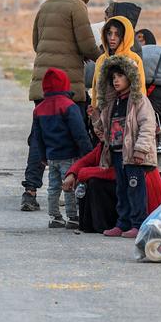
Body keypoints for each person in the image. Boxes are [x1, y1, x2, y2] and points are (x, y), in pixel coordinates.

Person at [21, 0, 101, 211]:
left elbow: (36, 43)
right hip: (68, 89)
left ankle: (30, 191)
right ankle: (79, 188)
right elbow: (88, 45)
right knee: (77, 137)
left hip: (42, 87)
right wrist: (103, 58)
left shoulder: (46, 5)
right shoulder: (77, 7)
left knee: (40, 140)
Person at [93, 55, 158, 238]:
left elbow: (147, 125)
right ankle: (122, 223)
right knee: (121, 189)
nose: (116, 81)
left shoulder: (139, 101)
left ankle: (138, 224)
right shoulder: (112, 102)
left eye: (120, 76)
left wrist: (140, 149)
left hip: (133, 155)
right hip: (116, 153)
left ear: (130, 77)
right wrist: (95, 117)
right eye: (113, 77)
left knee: (135, 188)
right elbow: (103, 127)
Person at [63, 132, 161, 235]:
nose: (98, 131)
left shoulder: (126, 143)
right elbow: (86, 160)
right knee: (92, 182)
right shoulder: (106, 145)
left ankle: (132, 224)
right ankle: (110, 224)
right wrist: (72, 174)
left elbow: (118, 173)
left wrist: (82, 173)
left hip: (142, 192)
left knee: (96, 182)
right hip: (128, 186)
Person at [32, 68, 93, 228]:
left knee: (53, 187)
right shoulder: (69, 106)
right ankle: (73, 217)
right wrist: (88, 154)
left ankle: (54, 217)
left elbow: (38, 137)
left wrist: (43, 156)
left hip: (51, 156)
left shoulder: (39, 109)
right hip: (69, 155)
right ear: (65, 85)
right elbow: (79, 133)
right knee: (69, 186)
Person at [90, 15, 146, 110]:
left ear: (125, 36)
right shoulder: (101, 60)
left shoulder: (133, 58)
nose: (112, 38)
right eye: (109, 33)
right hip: (103, 113)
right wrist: (94, 109)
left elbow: (140, 90)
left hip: (126, 113)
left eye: (117, 34)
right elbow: (96, 89)